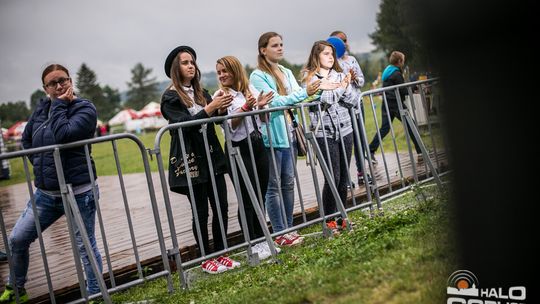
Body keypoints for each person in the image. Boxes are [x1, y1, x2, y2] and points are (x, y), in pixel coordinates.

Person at [0, 64, 102, 303]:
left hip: (78, 191)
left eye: (62, 81)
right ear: (45, 87)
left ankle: (96, 294)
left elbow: (65, 134)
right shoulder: (42, 109)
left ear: (70, 81)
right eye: (52, 84)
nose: (58, 86)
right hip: (46, 193)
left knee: (85, 246)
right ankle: (16, 289)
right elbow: (27, 140)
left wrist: (58, 105)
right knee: (17, 239)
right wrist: (41, 162)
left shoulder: (84, 108)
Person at [161, 46, 239, 274]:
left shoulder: (202, 92)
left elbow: (216, 120)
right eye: (185, 62)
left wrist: (221, 106)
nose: (191, 65)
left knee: (221, 206)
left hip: (212, 157)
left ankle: (222, 253)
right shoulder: (170, 97)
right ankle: (206, 258)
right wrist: (210, 108)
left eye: (193, 61)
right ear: (176, 68)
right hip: (192, 160)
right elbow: (184, 124)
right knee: (201, 212)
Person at [249, 32, 322, 247]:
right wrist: (303, 93)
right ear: (263, 50)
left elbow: (301, 94)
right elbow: (277, 101)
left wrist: (319, 89)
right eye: (274, 45)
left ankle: (290, 229)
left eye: (281, 44)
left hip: (290, 133)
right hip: (272, 136)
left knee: (289, 184)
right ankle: (280, 232)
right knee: (274, 187)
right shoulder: (257, 75)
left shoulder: (286, 71)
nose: (280, 48)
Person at [214, 55, 278, 259]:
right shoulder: (221, 95)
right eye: (219, 72)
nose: (222, 75)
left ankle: (264, 238)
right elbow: (231, 126)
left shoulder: (249, 90)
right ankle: (253, 243)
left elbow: (264, 118)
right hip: (238, 148)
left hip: (258, 144)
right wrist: (246, 107)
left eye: (225, 71)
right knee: (247, 198)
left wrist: (259, 106)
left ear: (235, 70)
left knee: (260, 195)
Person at [302, 40, 358, 233]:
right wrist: (342, 87)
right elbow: (326, 98)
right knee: (332, 177)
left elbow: (353, 99)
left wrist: (337, 87)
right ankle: (329, 220)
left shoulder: (340, 74)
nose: (330, 57)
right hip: (323, 133)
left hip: (345, 130)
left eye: (332, 54)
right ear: (316, 55)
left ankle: (342, 216)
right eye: (326, 54)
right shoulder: (310, 78)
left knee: (343, 177)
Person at [328, 31, 373, 184]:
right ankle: (345, 178)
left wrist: (355, 78)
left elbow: (361, 81)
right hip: (341, 106)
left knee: (360, 137)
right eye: (341, 41)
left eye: (345, 40)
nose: (344, 43)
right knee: (345, 141)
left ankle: (362, 172)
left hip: (356, 104)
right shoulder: (331, 63)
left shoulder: (352, 60)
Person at [368, 51, 423, 162]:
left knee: (385, 128)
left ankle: (370, 151)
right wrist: (413, 88)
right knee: (411, 125)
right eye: (403, 60)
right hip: (396, 104)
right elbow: (402, 90)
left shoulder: (388, 71)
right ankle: (421, 151)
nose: (403, 62)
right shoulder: (396, 74)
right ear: (399, 61)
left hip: (387, 103)